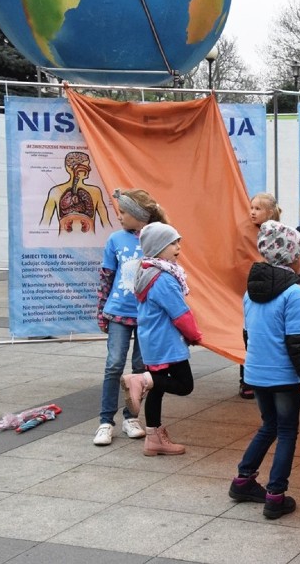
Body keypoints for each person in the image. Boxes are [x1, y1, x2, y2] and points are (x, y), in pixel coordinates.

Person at [228, 221, 300, 519]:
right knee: (288, 431)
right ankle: (276, 495)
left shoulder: (250, 291)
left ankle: (243, 480)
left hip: (256, 371)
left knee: (268, 426)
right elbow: (298, 343)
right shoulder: (295, 294)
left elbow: (247, 335)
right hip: (282, 375)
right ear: (292, 256)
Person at [93, 189, 169, 446]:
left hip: (147, 315)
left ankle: (131, 417)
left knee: (140, 368)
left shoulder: (157, 240)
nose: (119, 216)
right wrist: (102, 310)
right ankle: (105, 421)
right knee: (114, 364)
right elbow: (106, 278)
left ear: (139, 216)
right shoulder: (115, 240)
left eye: (124, 212)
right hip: (118, 313)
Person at [122, 223, 202, 456]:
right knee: (184, 384)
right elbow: (180, 312)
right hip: (166, 342)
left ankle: (153, 438)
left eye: (178, 242)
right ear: (158, 247)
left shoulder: (146, 271)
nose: (178, 247)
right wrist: (194, 335)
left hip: (152, 340)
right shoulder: (163, 278)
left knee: (157, 387)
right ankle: (140, 380)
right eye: (172, 243)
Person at [238, 192, 284, 401]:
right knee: (249, 335)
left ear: (271, 212)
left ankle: (269, 377)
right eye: (251, 208)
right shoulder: (246, 231)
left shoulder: (279, 233)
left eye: (258, 209)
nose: (252, 212)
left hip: (273, 290)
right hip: (252, 291)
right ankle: (246, 380)